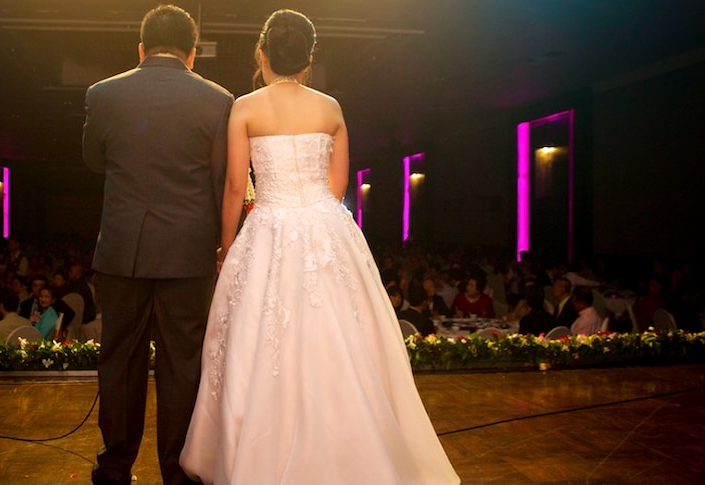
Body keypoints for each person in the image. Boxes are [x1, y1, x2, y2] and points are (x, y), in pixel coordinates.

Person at [180, 9, 459, 484]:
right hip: (326, 230)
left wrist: (226, 248)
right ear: (309, 58)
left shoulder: (244, 108)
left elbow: (233, 186)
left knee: (259, 340)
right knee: (340, 340)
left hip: (266, 227)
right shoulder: (330, 108)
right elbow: (337, 184)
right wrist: (314, 230)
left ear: (262, 55)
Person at [82, 5, 234, 485]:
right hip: (188, 255)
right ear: (192, 53)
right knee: (182, 362)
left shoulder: (103, 94)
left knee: (119, 359)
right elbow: (220, 180)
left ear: (141, 48)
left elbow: (92, 160)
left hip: (122, 250)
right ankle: (178, 470)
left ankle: (114, 468)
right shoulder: (218, 100)